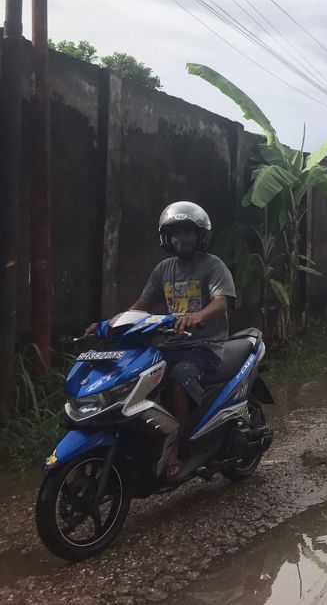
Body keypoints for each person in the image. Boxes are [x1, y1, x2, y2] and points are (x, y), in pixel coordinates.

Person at [87, 201, 236, 479]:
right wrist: (110, 324)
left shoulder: (213, 266)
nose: (182, 239)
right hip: (169, 345)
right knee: (137, 376)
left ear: (201, 235)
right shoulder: (164, 269)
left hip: (203, 348)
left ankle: (174, 449)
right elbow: (141, 305)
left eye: (188, 232)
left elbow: (222, 301)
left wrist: (198, 316)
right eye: (176, 233)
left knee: (177, 379)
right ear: (166, 238)